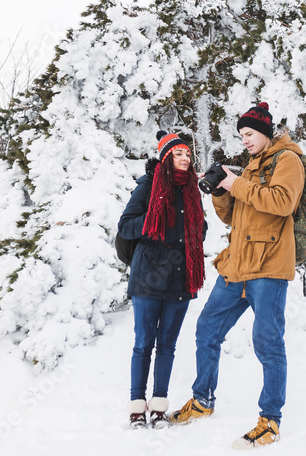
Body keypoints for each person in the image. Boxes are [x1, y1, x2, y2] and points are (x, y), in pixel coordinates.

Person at [170, 102, 305, 449]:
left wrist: (236, 182)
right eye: (241, 135)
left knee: (268, 343)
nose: (244, 140)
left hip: (268, 268)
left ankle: (270, 420)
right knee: (207, 329)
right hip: (236, 267)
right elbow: (235, 218)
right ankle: (203, 400)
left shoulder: (287, 159)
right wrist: (220, 190)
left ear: (263, 132)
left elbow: (283, 202)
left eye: (248, 134)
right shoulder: (249, 166)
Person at [117, 130, 207, 429]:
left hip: (181, 276)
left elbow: (201, 229)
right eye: (179, 154)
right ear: (166, 157)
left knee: (167, 345)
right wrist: (153, 222)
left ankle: (158, 406)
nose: (185, 158)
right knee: (143, 343)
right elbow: (126, 226)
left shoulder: (192, 190)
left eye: (188, 154)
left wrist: (193, 235)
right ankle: (136, 406)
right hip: (148, 275)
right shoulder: (148, 186)